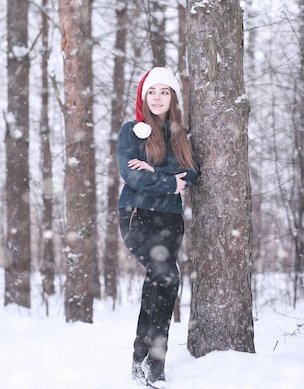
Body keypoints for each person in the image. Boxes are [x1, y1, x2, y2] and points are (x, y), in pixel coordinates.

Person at [116, 67, 199, 388]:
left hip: (170, 219)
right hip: (137, 214)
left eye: (164, 91)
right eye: (152, 91)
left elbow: (192, 172)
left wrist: (155, 169)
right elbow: (131, 175)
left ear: (173, 97)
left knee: (161, 281)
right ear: (143, 96)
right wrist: (167, 179)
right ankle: (152, 361)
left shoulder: (182, 135)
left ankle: (146, 360)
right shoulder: (131, 131)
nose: (158, 97)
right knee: (166, 276)